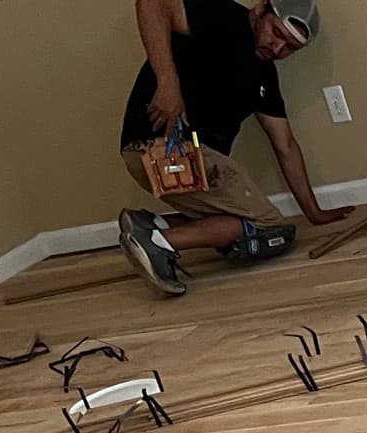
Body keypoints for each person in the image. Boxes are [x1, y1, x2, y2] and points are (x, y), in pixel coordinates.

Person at [116, 0, 354, 297]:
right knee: (269, 226)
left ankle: (150, 224)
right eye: (276, 33)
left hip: (181, 160)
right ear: (260, 10)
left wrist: (314, 213)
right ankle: (158, 241)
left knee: (237, 216)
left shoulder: (265, 76)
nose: (278, 49)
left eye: (290, 48)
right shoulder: (225, 18)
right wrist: (167, 83)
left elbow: (286, 146)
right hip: (162, 146)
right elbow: (153, 5)